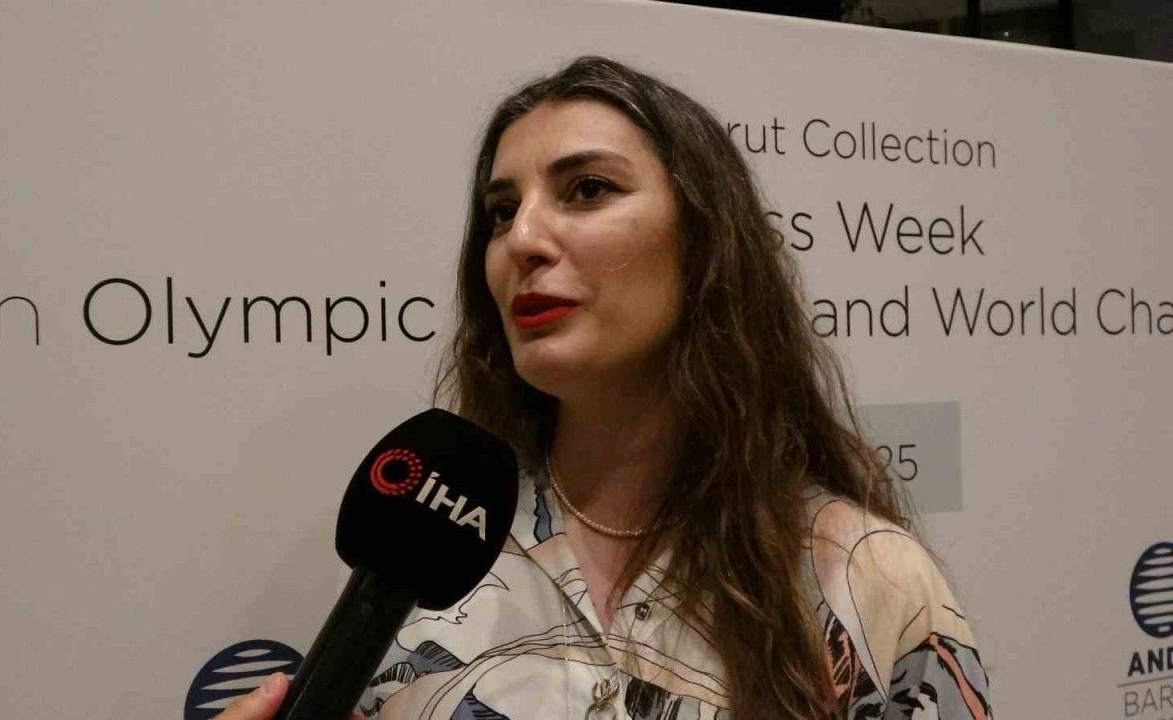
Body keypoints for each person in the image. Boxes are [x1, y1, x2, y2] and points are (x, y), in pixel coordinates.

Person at [218, 55, 992, 720]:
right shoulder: (432, 558)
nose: (523, 239)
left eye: (587, 189)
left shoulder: (863, 579)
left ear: (705, 239)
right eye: (501, 212)